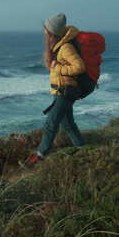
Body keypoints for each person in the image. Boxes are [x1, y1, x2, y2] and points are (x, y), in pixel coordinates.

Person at [29, 13, 85, 164]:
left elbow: (79, 67)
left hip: (65, 92)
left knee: (51, 123)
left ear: (51, 32)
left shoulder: (65, 47)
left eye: (46, 29)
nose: (44, 31)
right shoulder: (58, 46)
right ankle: (83, 150)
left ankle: (40, 155)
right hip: (61, 91)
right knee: (68, 125)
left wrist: (58, 68)